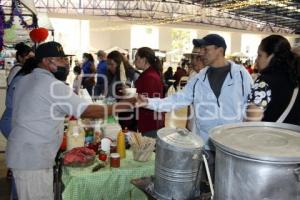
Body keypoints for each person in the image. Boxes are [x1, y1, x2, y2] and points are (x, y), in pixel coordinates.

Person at [6, 41, 134, 200]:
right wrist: (126, 104)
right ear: (46, 61)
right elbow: (88, 111)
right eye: (61, 59)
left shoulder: (26, 79)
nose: (66, 63)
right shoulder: (52, 85)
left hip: (24, 153)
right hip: (33, 159)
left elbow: (37, 108)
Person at [136, 34, 253, 179]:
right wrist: (148, 102)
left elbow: (251, 107)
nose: (201, 53)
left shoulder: (241, 75)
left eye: (205, 49)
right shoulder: (198, 78)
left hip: (233, 148)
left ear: (219, 50)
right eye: (200, 50)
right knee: (205, 185)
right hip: (206, 147)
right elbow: (177, 100)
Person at [0, 43, 34, 200]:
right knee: (21, 163)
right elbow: (17, 103)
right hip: (12, 121)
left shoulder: (24, 74)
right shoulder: (20, 74)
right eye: (26, 55)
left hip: (14, 120)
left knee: (20, 160)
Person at [246, 35, 300, 125]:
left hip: (269, 137)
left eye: (259, 55)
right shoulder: (295, 79)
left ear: (271, 56)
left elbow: (252, 121)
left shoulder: (263, 83)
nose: (256, 60)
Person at [134, 47, 165, 138]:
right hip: (149, 122)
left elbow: (148, 101)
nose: (134, 62)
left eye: (136, 59)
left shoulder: (149, 77)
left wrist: (131, 95)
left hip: (150, 123)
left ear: (144, 59)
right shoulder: (148, 74)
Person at [186, 39, 206, 133]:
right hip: (193, 130)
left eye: (197, 57)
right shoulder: (192, 75)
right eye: (192, 57)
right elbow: (189, 103)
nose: (193, 61)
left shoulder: (214, 78)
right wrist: (187, 124)